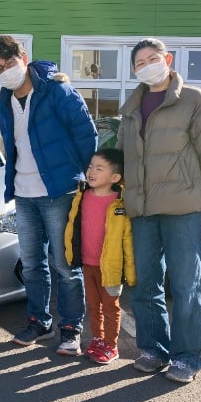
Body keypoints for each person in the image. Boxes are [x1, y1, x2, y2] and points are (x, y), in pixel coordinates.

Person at [117, 37, 201, 383]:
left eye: (153, 58)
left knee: (186, 284)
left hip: (185, 208)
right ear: (135, 70)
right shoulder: (131, 107)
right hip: (143, 211)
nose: (147, 66)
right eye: (140, 63)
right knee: (146, 284)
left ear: (167, 59)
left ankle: (189, 357)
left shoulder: (193, 100)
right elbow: (123, 156)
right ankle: (154, 349)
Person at [0, 35, 98, 356]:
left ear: (23, 56)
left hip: (60, 191)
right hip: (24, 194)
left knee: (65, 264)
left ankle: (71, 328)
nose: (5, 72)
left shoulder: (57, 90)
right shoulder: (5, 100)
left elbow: (85, 133)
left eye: (8, 64)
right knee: (32, 264)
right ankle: (39, 321)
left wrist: (87, 178)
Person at [64, 148, 136, 364]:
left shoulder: (120, 203)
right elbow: (72, 227)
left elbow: (127, 239)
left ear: (115, 177)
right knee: (93, 305)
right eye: (90, 167)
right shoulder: (82, 196)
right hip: (87, 263)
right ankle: (97, 339)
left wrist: (130, 272)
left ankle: (111, 345)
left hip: (111, 267)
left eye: (99, 168)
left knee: (111, 306)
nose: (91, 172)